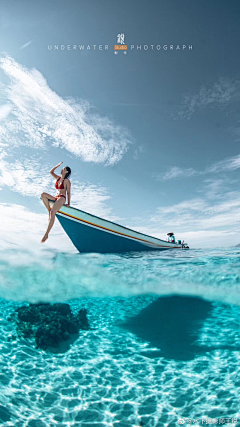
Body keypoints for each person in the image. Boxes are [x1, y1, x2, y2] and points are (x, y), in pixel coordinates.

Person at [41, 162, 71, 243]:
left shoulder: (67, 181)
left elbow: (68, 192)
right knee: (43, 195)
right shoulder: (58, 178)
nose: (62, 169)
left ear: (67, 172)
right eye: (62, 168)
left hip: (62, 198)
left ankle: (46, 234)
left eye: (64, 169)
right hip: (56, 197)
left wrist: (68, 203)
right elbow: (51, 172)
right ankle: (49, 211)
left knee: (53, 212)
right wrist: (57, 166)